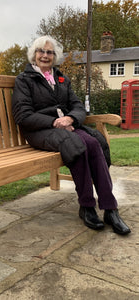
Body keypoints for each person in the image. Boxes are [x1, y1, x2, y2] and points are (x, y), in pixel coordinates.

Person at [12, 35, 131, 235]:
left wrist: (70, 120)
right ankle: (86, 206)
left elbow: (76, 106)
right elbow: (23, 115)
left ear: (55, 56)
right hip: (39, 131)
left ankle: (110, 209)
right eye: (41, 51)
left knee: (94, 143)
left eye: (50, 52)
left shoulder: (61, 79)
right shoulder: (24, 80)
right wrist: (55, 122)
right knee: (76, 144)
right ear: (34, 54)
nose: (45, 55)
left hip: (66, 127)